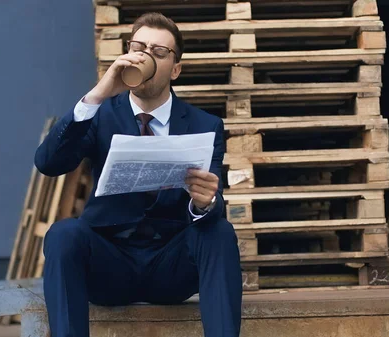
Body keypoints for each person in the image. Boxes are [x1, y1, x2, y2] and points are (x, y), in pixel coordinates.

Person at [34, 12, 242, 337]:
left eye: (159, 53)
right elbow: (48, 163)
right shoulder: (101, 114)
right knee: (63, 235)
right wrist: (98, 94)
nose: (146, 57)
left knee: (220, 232)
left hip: (170, 266)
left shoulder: (205, 125)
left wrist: (204, 203)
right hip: (109, 263)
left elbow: (211, 207)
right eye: (139, 48)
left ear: (175, 69)